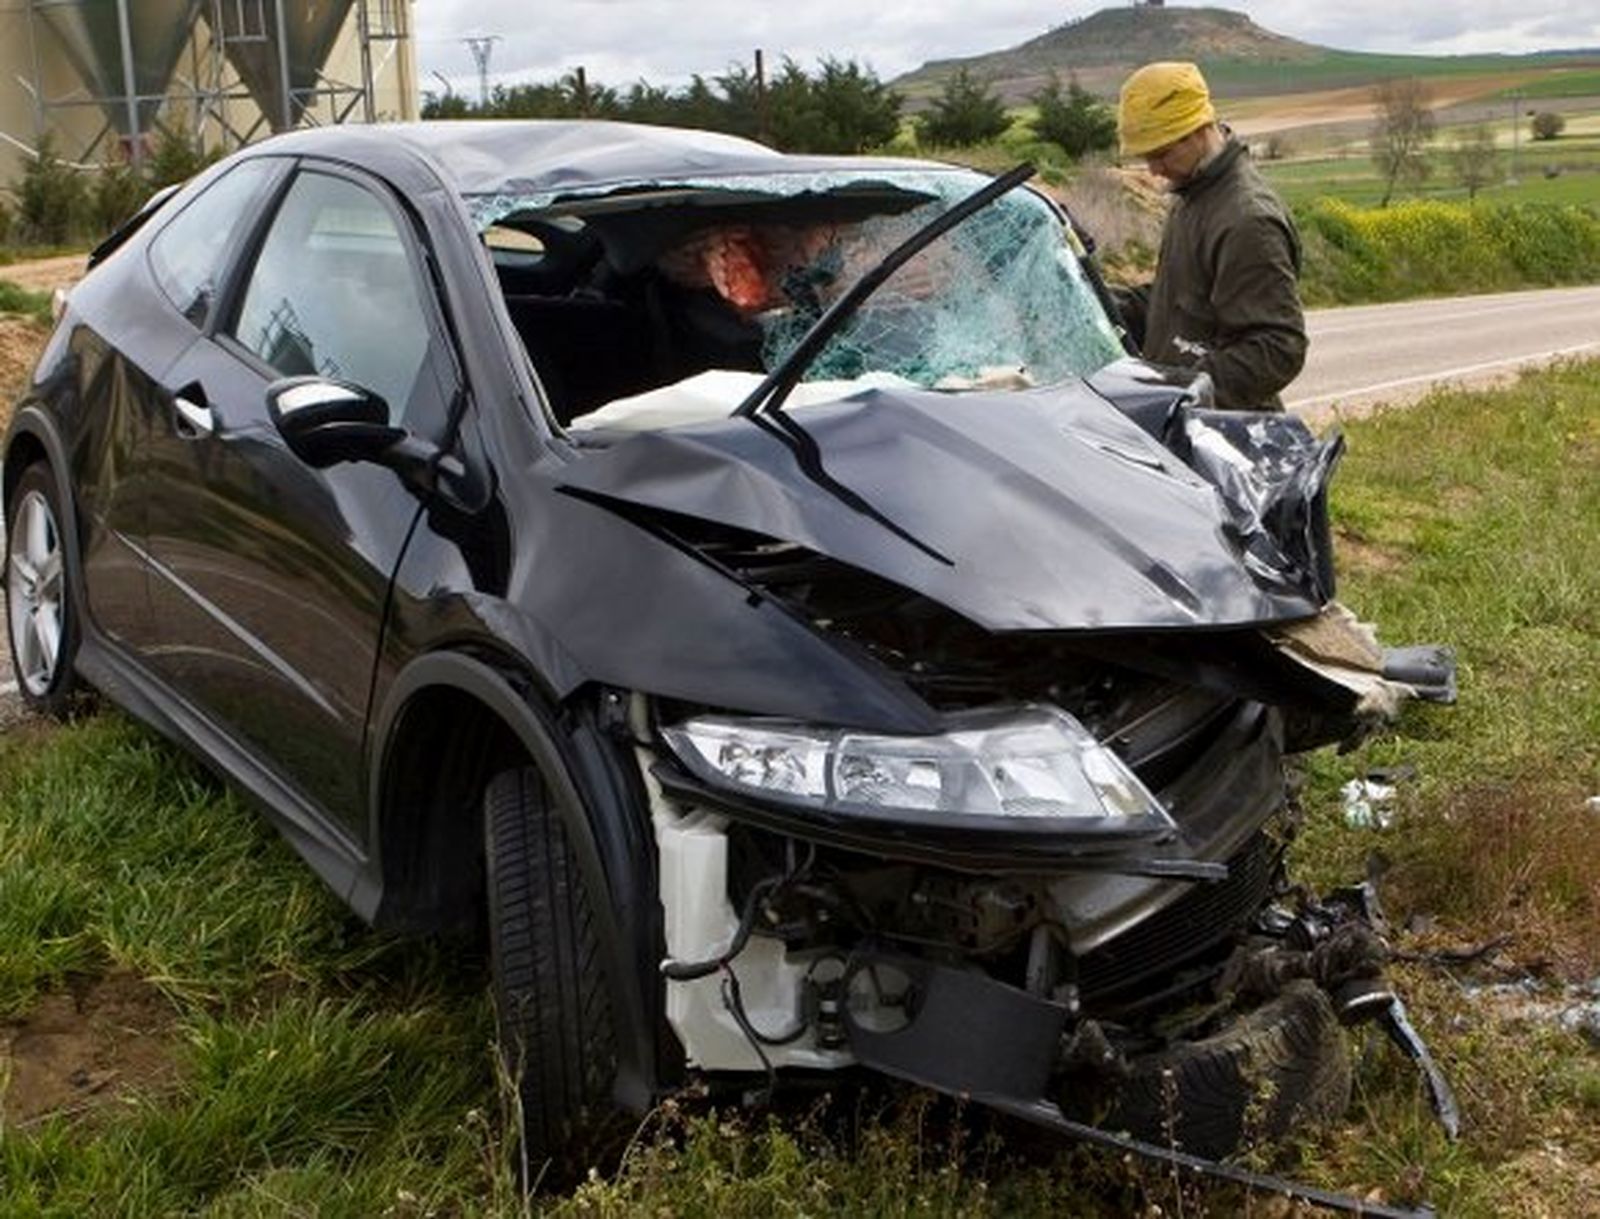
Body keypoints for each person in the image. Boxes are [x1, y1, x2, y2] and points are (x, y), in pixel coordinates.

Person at [1112, 62, 1307, 411]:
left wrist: (1184, 395)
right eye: (1146, 156)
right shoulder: (1194, 193)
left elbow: (1278, 347)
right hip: (1185, 424)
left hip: (1220, 434)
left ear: (1199, 129)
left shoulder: (1247, 219)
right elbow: (1187, 301)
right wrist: (1107, 306)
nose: (1153, 170)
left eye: (1161, 153)